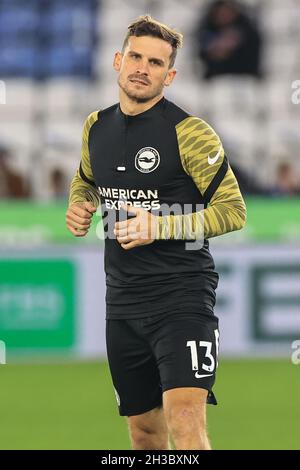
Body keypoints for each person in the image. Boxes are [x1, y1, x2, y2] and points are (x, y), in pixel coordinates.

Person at [66, 15, 246, 450]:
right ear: (117, 60)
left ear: (171, 75)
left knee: (184, 420)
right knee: (144, 433)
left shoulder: (190, 131)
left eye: (155, 62)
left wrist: (160, 226)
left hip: (182, 296)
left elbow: (233, 211)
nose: (142, 68)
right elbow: (85, 178)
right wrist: (79, 204)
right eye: (135, 56)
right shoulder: (96, 126)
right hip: (123, 301)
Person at [195, 0, 262, 80]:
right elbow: (203, 52)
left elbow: (253, 56)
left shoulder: (247, 28)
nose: (224, 15)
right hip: (215, 80)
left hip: (244, 78)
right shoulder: (207, 27)